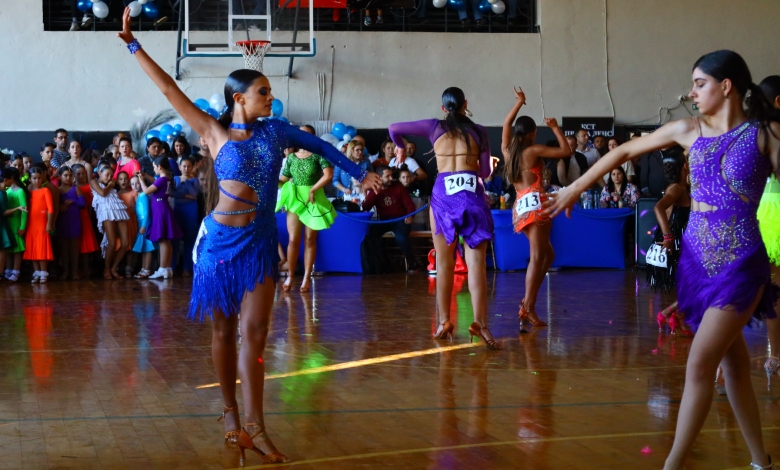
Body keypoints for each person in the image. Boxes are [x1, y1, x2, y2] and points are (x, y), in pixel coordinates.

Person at [117, 8, 380, 464]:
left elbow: (319, 147)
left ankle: (257, 426)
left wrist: (361, 173)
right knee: (222, 333)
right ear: (239, 98)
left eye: (270, 92)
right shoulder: (213, 132)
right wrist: (133, 44)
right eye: (263, 92)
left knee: (255, 334)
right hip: (218, 246)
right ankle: (230, 417)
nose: (270, 98)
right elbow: (168, 89)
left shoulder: (276, 130)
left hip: (258, 245)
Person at [547, 50, 778, 470]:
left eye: (699, 83)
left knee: (700, 364)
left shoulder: (766, 135)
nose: (691, 93)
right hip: (695, 262)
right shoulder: (688, 130)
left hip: (742, 262)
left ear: (726, 86)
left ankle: (672, 465)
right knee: (735, 366)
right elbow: (623, 153)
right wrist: (574, 188)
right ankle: (761, 461)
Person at [388, 86, 498, 349]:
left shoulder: (433, 126)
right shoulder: (479, 130)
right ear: (465, 104)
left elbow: (394, 128)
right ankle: (481, 325)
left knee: (445, 264)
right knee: (476, 265)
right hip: (471, 194)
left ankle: (444, 322)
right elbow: (483, 172)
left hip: (443, 197)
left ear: (443, 108)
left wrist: (400, 148)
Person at [502, 87, 571, 331]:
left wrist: (519, 103)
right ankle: (527, 306)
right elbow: (566, 151)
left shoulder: (508, 152)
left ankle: (528, 303)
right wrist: (554, 127)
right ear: (531, 134)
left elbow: (507, 123)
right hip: (537, 204)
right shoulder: (533, 151)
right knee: (537, 257)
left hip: (520, 206)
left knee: (547, 255)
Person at [276, 127, 336, 293]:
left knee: (310, 239)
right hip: (296, 200)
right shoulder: (291, 158)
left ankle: (306, 277)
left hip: (313, 198)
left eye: (306, 133)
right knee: (293, 239)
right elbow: (283, 179)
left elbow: (328, 175)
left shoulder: (319, 155)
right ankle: (290, 275)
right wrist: (270, 180)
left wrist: (312, 189)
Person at [757, 74, 780, 389]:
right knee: (772, 288)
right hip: (774, 215)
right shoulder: (773, 132)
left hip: (759, 213)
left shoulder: (752, 131)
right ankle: (776, 356)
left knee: (767, 288)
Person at [362, 166, 418, 272]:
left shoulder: (399, 187)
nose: (391, 178)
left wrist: (410, 216)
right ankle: (377, 264)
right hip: (384, 221)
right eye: (387, 176)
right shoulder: (375, 190)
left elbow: (410, 206)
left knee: (401, 238)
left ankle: (412, 264)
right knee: (368, 234)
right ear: (379, 178)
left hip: (401, 220)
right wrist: (373, 193)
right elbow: (365, 207)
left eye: (391, 175)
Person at [137, 156, 182, 279]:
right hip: (163, 208)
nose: (154, 169)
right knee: (166, 240)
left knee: (162, 240)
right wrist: (145, 175)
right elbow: (154, 180)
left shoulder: (161, 180)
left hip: (160, 210)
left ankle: (162, 268)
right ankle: (167, 268)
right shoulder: (166, 178)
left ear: (159, 167)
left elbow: (146, 191)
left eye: (154, 167)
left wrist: (141, 180)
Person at [91, 164, 130, 280]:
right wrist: (110, 185)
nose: (109, 177)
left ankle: (114, 268)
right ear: (100, 173)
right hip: (106, 212)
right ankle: (107, 269)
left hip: (118, 210)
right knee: (111, 243)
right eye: (107, 175)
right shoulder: (94, 182)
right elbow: (102, 193)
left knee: (125, 242)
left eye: (111, 175)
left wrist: (112, 184)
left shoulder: (112, 184)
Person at [24, 167, 55, 283]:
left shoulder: (45, 190)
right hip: (31, 223)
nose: (37, 181)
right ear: (30, 179)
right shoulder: (29, 191)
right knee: (33, 248)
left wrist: (49, 223)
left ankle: (43, 272)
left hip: (42, 223)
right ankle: (36, 272)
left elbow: (50, 209)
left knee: (41, 247)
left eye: (39, 178)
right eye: (34, 178)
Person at [171, 155, 200, 277]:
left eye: (189, 166)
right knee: (174, 240)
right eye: (184, 166)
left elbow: (195, 193)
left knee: (190, 239)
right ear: (179, 167)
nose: (186, 169)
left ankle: (187, 268)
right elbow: (173, 193)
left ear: (192, 167)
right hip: (178, 209)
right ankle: (172, 267)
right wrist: (187, 196)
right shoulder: (175, 178)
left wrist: (187, 182)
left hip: (191, 210)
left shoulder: (194, 180)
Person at [56, 166, 85, 280]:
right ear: (60, 177)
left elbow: (82, 204)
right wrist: (59, 206)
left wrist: (73, 200)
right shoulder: (57, 191)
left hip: (74, 221)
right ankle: (65, 271)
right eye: (65, 175)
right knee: (63, 249)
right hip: (63, 221)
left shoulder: (76, 189)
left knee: (74, 248)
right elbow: (53, 205)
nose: (68, 178)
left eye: (70, 175)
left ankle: (74, 271)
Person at [72, 163, 100, 275]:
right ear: (74, 174)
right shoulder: (73, 187)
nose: (81, 176)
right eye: (78, 174)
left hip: (86, 216)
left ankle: (87, 267)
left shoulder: (90, 186)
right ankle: (77, 267)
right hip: (75, 217)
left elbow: (93, 204)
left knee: (86, 242)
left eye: (83, 173)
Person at [1, 167, 26, 282]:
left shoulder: (18, 191)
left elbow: (24, 210)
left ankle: (14, 271)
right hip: (6, 223)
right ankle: (6, 270)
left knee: (15, 248)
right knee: (6, 249)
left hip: (13, 223)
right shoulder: (5, 192)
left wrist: (22, 227)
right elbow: (4, 210)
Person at [129, 175, 156, 279]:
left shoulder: (144, 195)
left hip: (145, 223)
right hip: (141, 222)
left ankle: (147, 269)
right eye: (132, 184)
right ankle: (144, 268)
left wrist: (144, 225)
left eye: (137, 183)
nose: (135, 186)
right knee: (144, 247)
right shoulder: (140, 195)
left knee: (148, 247)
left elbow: (146, 211)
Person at [117, 171, 139, 277]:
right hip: (120, 224)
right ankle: (120, 266)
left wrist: (134, 207)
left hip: (131, 222)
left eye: (125, 179)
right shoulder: (115, 195)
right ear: (117, 181)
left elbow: (139, 209)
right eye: (121, 179)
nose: (123, 181)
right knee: (120, 245)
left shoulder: (133, 193)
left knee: (131, 245)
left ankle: (129, 267)